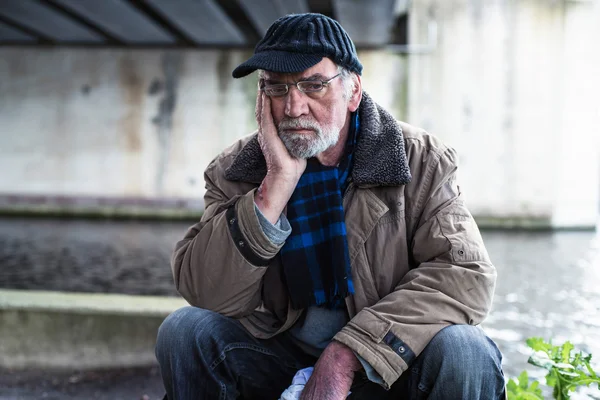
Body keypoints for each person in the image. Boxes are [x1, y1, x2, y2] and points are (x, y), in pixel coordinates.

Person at [155, 13, 505, 400]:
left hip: (386, 364)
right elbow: (207, 293)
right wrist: (274, 187)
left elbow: (466, 275)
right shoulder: (234, 170)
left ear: (353, 91)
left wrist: (347, 353)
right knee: (185, 330)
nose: (293, 107)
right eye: (277, 88)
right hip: (278, 357)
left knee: (465, 351)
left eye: (314, 85)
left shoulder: (420, 159)